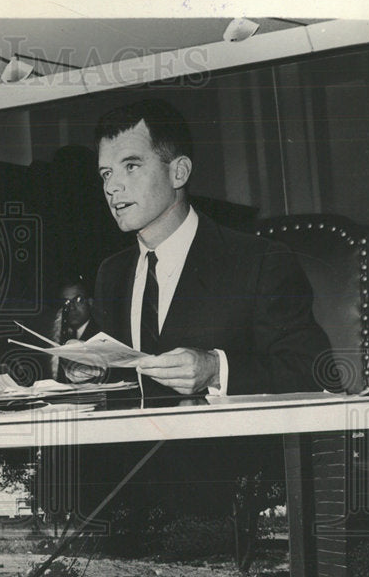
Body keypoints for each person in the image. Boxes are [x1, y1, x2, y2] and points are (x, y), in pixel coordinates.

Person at [92, 99, 332, 397]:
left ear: (178, 172)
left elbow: (315, 371)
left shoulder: (260, 260)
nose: (112, 187)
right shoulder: (112, 272)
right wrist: (88, 369)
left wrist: (218, 370)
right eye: (106, 173)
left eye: (130, 166)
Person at [48, 278, 106, 384]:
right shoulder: (60, 335)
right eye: (66, 302)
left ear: (90, 302)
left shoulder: (103, 334)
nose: (72, 307)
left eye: (78, 300)